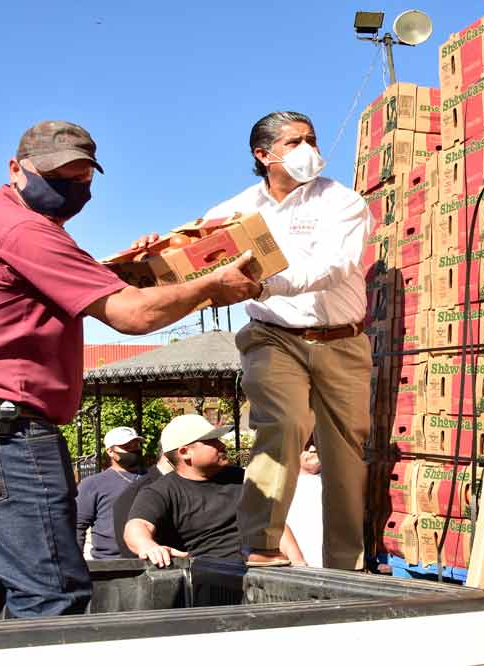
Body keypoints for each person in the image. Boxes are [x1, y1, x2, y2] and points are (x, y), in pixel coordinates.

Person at [0, 120, 261, 623]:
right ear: (15, 169)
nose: (72, 189)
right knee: (52, 596)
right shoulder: (25, 230)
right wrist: (211, 286)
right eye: (56, 176)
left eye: (81, 178)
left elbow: (54, 291)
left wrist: (132, 270)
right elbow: (132, 315)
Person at [202, 111, 373, 569]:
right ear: (264, 155)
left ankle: (346, 566)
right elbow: (197, 256)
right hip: (272, 336)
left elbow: (335, 267)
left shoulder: (342, 202)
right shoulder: (235, 212)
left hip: (342, 340)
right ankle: (261, 546)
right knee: (283, 422)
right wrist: (158, 256)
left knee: (345, 455)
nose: (309, 151)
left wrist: (264, 284)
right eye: (295, 142)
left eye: (311, 139)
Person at [123, 414, 302, 567]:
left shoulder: (242, 478)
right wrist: (148, 546)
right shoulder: (161, 491)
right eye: (211, 441)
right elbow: (137, 527)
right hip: (209, 586)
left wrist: (299, 566)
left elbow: (273, 524)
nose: (222, 445)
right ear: (185, 452)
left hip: (263, 577)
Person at [76, 426, 154, 559]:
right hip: (110, 563)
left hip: (152, 558)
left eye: (136, 445)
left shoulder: (155, 478)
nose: (134, 450)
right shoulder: (93, 484)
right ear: (110, 451)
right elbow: (78, 526)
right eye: (126, 447)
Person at [285, 439, 323, 567]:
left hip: (335, 570)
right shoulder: (281, 485)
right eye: (305, 447)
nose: (313, 449)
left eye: (316, 443)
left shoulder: (338, 482)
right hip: (299, 568)